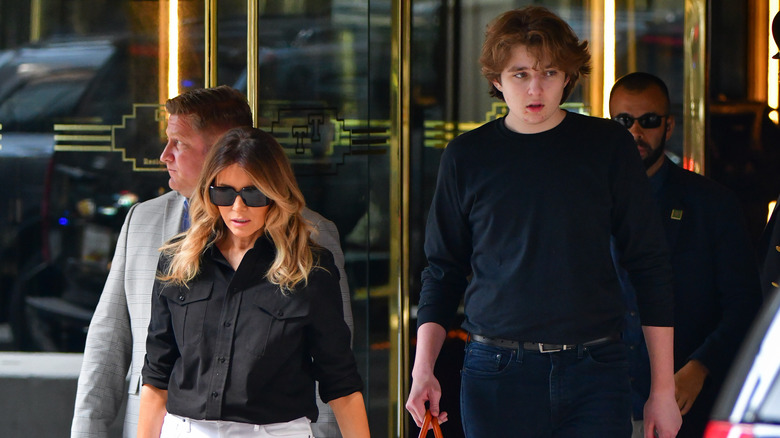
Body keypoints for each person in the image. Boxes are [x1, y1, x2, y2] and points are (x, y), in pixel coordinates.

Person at [406, 6, 682, 438]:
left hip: (596, 367)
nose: (536, 88)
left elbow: (649, 264)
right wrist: (423, 370)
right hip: (496, 370)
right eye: (520, 74)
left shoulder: (607, 145)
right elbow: (442, 271)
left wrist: (662, 389)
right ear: (497, 79)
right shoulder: (467, 156)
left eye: (549, 73)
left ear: (568, 77)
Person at [72, 86, 353, 438]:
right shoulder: (141, 222)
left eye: (179, 143)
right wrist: (86, 430)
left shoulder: (312, 235)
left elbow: (333, 368)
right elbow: (108, 340)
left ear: (224, 147)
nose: (164, 155)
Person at [137, 126, 369, 438]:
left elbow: (340, 381)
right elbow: (157, 376)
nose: (237, 208)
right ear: (209, 192)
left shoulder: (310, 268)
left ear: (275, 193)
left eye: (252, 193)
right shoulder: (179, 261)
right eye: (224, 192)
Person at [609, 72, 763, 438]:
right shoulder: (587, 202)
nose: (635, 133)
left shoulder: (712, 204)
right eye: (623, 121)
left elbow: (744, 304)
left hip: (684, 403)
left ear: (668, 125)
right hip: (602, 402)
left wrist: (701, 366)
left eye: (648, 121)